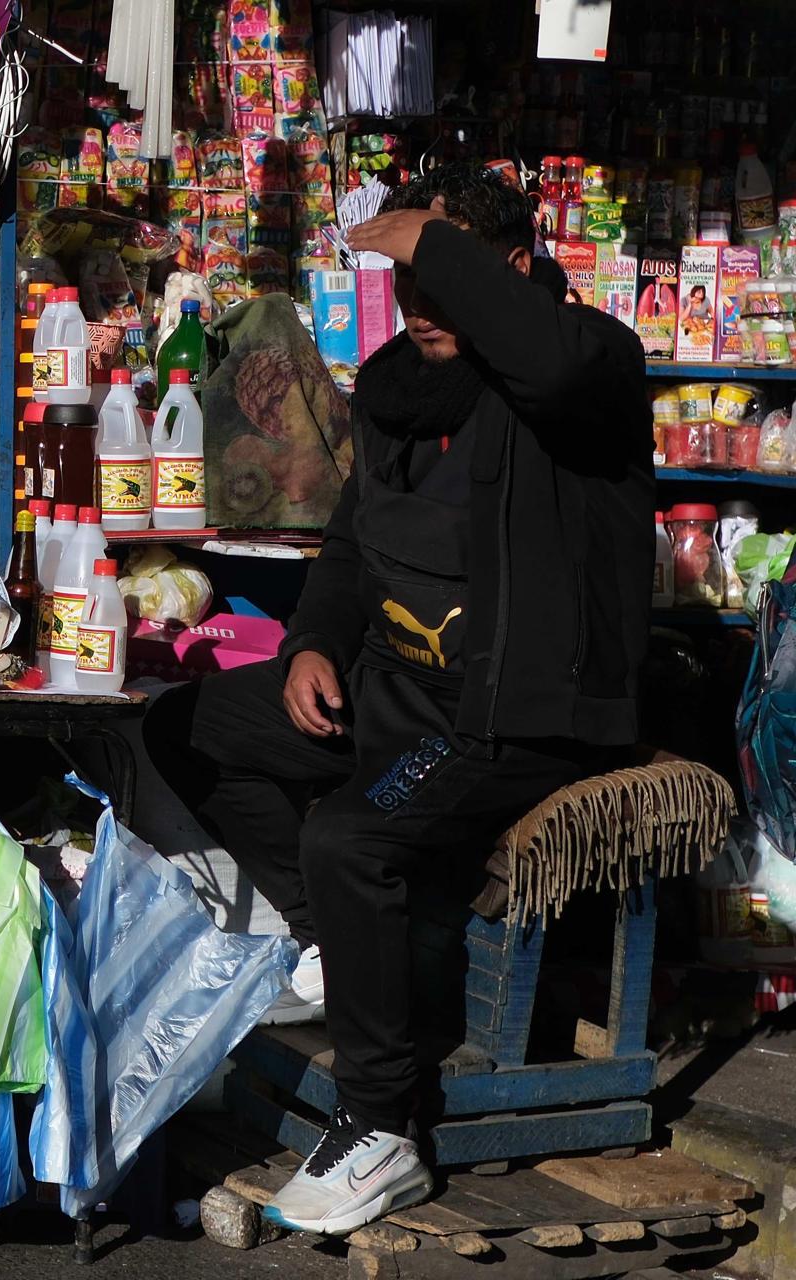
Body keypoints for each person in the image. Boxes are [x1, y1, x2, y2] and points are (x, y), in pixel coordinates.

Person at [148, 163, 651, 1234]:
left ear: (510, 272)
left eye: (444, 277)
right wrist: (312, 643)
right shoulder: (397, 389)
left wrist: (439, 244)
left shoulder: (593, 365)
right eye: (409, 281)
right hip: (392, 693)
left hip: (505, 720)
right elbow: (350, 545)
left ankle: (382, 1127)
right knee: (178, 724)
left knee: (348, 836)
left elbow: (552, 366)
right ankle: (330, 946)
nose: (420, 308)